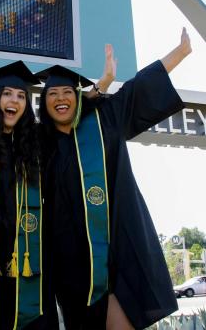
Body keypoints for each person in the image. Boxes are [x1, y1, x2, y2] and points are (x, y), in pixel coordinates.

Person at [36, 29, 192, 330]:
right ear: (45, 104)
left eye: (67, 92)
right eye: (52, 94)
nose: (60, 99)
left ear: (77, 97)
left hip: (118, 245)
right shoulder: (41, 143)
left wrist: (180, 53)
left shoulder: (105, 119)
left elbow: (139, 88)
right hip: (70, 260)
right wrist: (99, 86)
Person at [0, 61, 59, 330]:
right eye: (7, 94)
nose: (14, 100)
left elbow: (68, 115)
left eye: (21, 96)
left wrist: (100, 88)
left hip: (26, 252)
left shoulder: (38, 143)